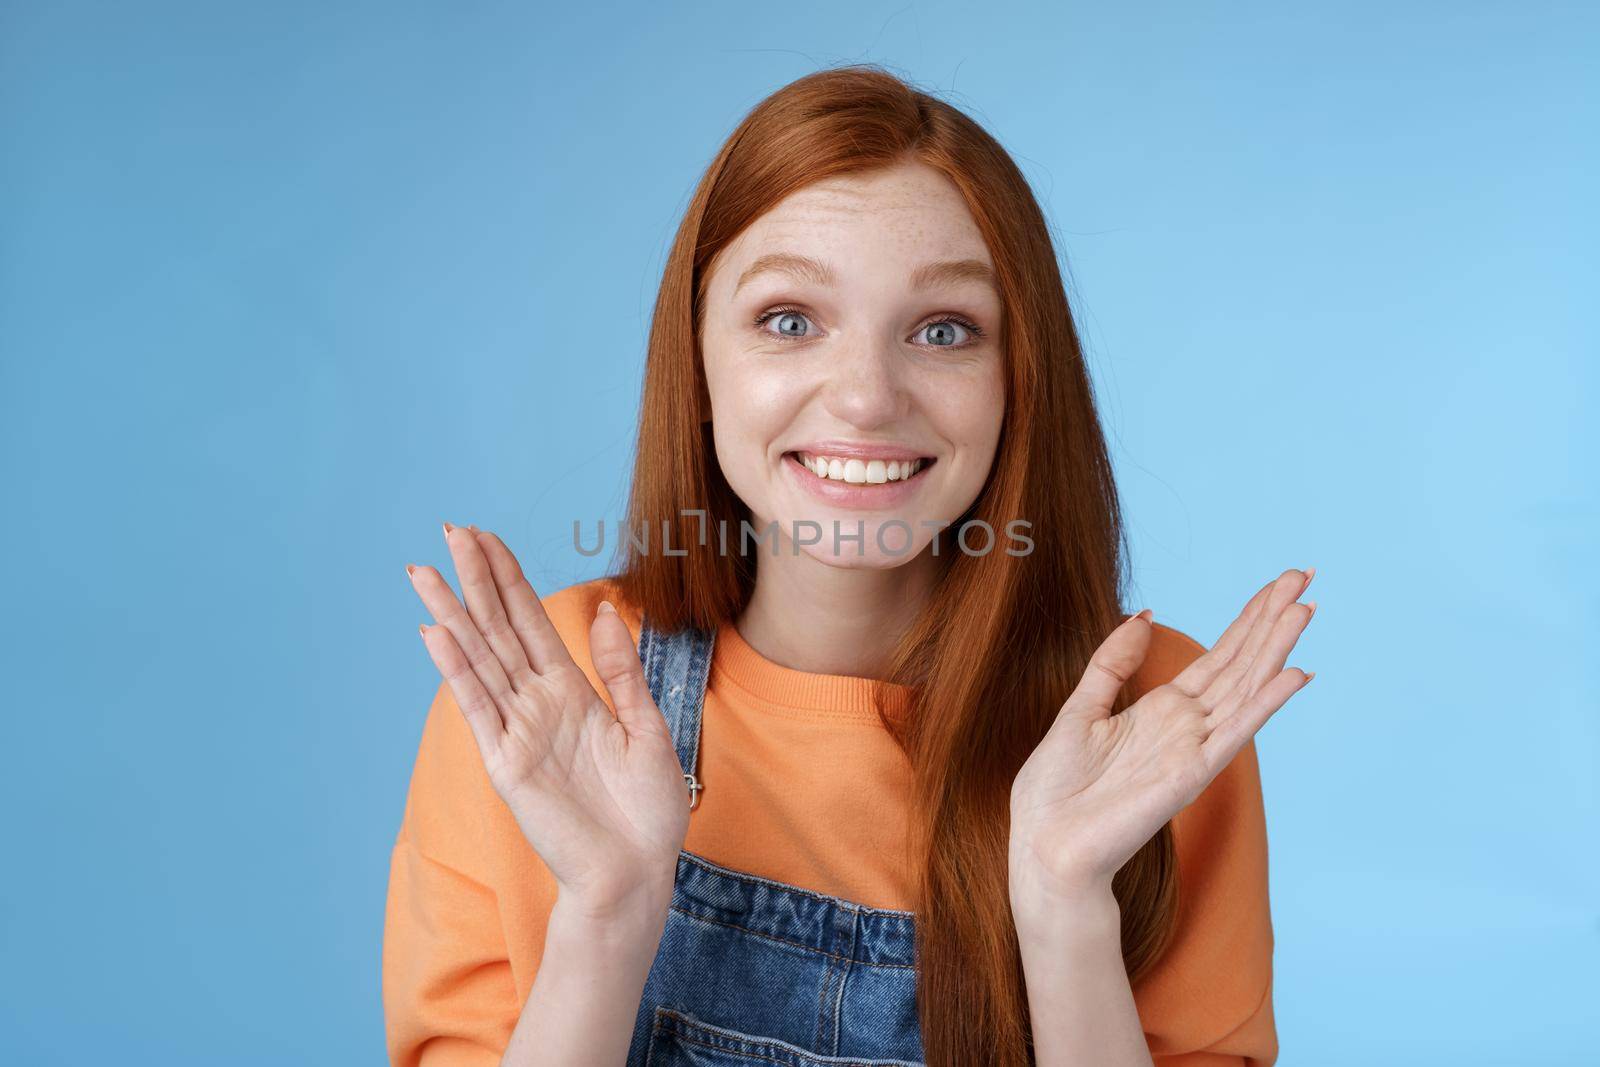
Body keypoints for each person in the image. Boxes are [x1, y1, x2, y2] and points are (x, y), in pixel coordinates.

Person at [383, 64, 1313, 1067]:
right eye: (789, 320)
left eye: (944, 329)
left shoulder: (1153, 717)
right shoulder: (542, 689)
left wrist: (1062, 903)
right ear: (697, 364)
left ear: (1017, 381)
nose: (866, 397)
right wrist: (605, 914)